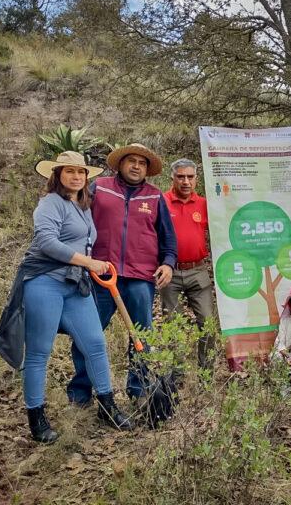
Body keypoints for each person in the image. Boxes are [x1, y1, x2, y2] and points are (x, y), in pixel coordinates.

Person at [19, 151, 132, 442]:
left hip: (75, 287)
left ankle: (107, 408)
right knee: (38, 353)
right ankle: (37, 418)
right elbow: (46, 242)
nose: (76, 177)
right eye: (69, 171)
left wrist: (96, 264)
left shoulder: (81, 205)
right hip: (45, 283)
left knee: (95, 343)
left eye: (81, 172)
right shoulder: (49, 204)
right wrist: (88, 262)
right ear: (57, 175)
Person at [67, 143, 177, 406]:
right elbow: (75, 222)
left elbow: (168, 240)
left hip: (140, 277)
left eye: (142, 162)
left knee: (141, 336)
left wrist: (168, 263)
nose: (136, 166)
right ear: (121, 164)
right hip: (101, 274)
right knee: (88, 333)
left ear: (147, 169)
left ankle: (138, 390)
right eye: (132, 161)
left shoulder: (154, 197)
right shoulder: (99, 188)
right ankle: (81, 392)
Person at [161, 158, 215, 369]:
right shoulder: (161, 201)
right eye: (181, 177)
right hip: (169, 272)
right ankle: (177, 374)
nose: (185, 181)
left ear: (196, 180)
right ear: (172, 178)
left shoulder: (203, 204)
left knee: (208, 323)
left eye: (190, 177)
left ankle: (207, 375)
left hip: (198, 270)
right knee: (173, 324)